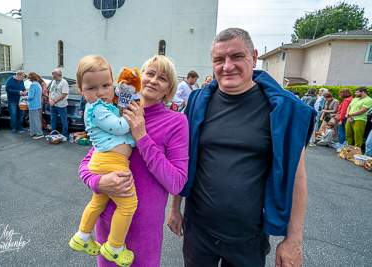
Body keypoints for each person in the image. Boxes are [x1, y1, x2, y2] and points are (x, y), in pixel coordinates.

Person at [167, 28, 316, 267]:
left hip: (249, 237)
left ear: (254, 57)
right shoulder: (197, 103)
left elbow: (297, 177)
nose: (227, 66)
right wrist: (175, 208)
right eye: (219, 59)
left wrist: (293, 240)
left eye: (237, 56)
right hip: (198, 230)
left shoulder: (284, 110)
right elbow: (183, 158)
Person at [78, 55, 189, 266]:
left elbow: (177, 182)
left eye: (162, 77)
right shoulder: (117, 113)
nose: (154, 80)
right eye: (149, 73)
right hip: (109, 226)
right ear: (140, 78)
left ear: (169, 89)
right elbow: (87, 163)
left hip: (145, 231)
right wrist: (98, 183)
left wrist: (142, 137)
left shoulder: (176, 121)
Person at [69, 55, 137, 266]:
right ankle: (115, 247)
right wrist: (130, 116)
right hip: (111, 161)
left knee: (98, 201)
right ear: (80, 89)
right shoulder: (97, 107)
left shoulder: (102, 105)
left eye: (106, 85)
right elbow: (118, 127)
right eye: (92, 88)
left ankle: (82, 236)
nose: (100, 92)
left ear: (113, 83)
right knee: (128, 204)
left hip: (104, 159)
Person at [49, 69, 69, 140]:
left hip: (61, 105)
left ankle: (64, 135)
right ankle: (53, 134)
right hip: (53, 105)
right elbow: (50, 91)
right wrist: (50, 100)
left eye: (53, 73)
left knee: (63, 120)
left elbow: (64, 94)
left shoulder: (64, 82)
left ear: (56, 74)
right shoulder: (53, 81)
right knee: (53, 120)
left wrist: (55, 101)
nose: (52, 74)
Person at [25, 72, 44, 139]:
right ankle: (34, 132)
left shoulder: (33, 85)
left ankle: (39, 133)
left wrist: (26, 97)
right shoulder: (38, 84)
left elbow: (31, 96)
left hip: (33, 105)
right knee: (35, 119)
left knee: (34, 120)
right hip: (38, 104)